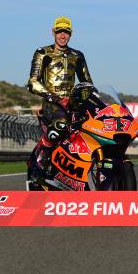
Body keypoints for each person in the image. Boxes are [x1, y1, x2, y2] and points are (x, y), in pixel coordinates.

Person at [27, 16, 93, 175]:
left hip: (73, 104)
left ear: (71, 34)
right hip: (52, 104)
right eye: (59, 31)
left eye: (66, 32)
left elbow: (87, 83)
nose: (62, 35)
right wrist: (55, 98)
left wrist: (87, 99)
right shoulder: (42, 52)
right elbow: (32, 82)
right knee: (62, 122)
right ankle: (41, 152)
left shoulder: (78, 55)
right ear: (53, 32)